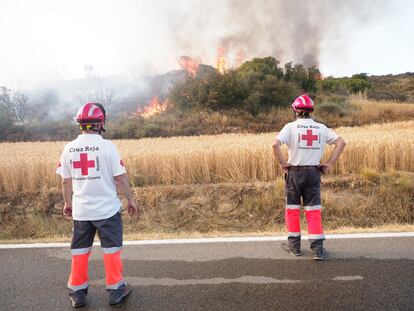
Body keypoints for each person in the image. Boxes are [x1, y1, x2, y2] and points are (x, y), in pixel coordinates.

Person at [56, 103, 138, 307]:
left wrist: (68, 202)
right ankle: (116, 290)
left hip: (82, 211)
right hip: (107, 211)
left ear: (80, 125)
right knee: (111, 250)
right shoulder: (107, 146)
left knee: (79, 251)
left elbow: (65, 180)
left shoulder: (69, 148)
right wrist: (131, 199)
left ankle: (77, 293)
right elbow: (119, 178)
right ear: (100, 123)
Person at [272, 94, 346, 260]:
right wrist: (329, 163)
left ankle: (295, 247)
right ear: (310, 110)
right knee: (313, 211)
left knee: (292, 209)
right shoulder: (321, 128)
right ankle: (318, 250)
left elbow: (275, 144)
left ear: (295, 110)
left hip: (294, 173)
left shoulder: (290, 127)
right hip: (313, 172)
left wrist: (283, 163)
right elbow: (341, 142)